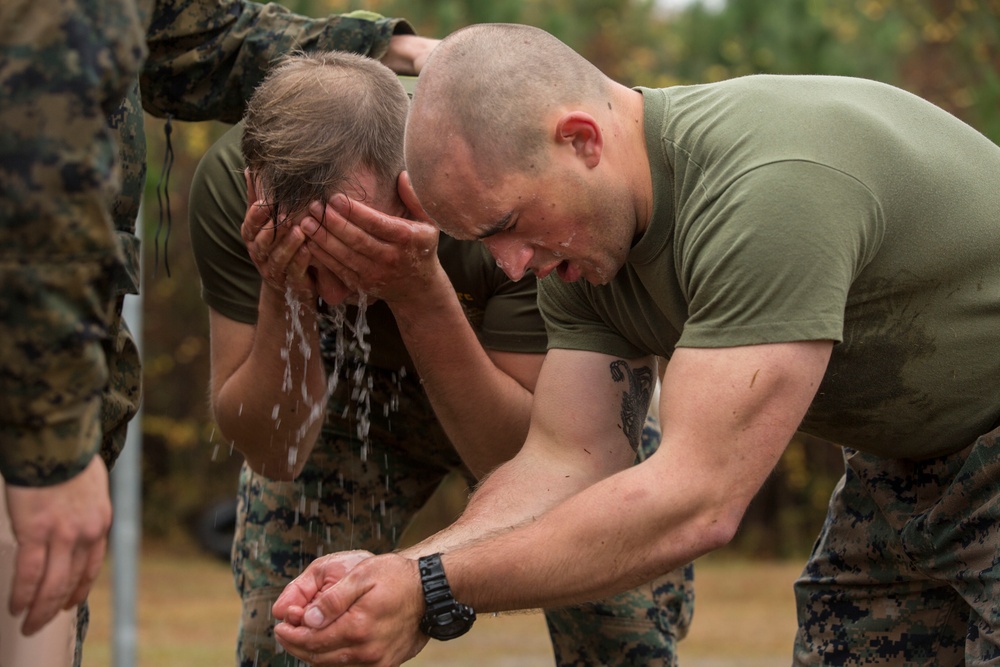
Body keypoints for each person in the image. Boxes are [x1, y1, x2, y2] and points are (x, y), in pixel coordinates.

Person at [267, 22, 1000, 667]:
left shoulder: (768, 192)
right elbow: (567, 458)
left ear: (580, 139)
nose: (511, 266)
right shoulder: (581, 253)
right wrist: (397, 574)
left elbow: (697, 496)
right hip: (907, 467)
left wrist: (430, 589)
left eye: (507, 224)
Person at [188, 50, 695, 667]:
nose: (339, 295)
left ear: (415, 188)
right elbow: (275, 451)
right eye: (313, 260)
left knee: (623, 633)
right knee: (297, 628)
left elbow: (537, 463)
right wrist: (282, 288)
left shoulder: (503, 184)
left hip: (540, 395)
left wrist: (419, 291)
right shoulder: (231, 192)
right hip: (348, 390)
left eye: (356, 244)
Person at [0, 0, 437, 662]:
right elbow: (32, 173)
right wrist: (50, 443)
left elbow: (195, 36)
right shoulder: (229, 193)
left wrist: (386, 47)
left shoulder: (472, 172)